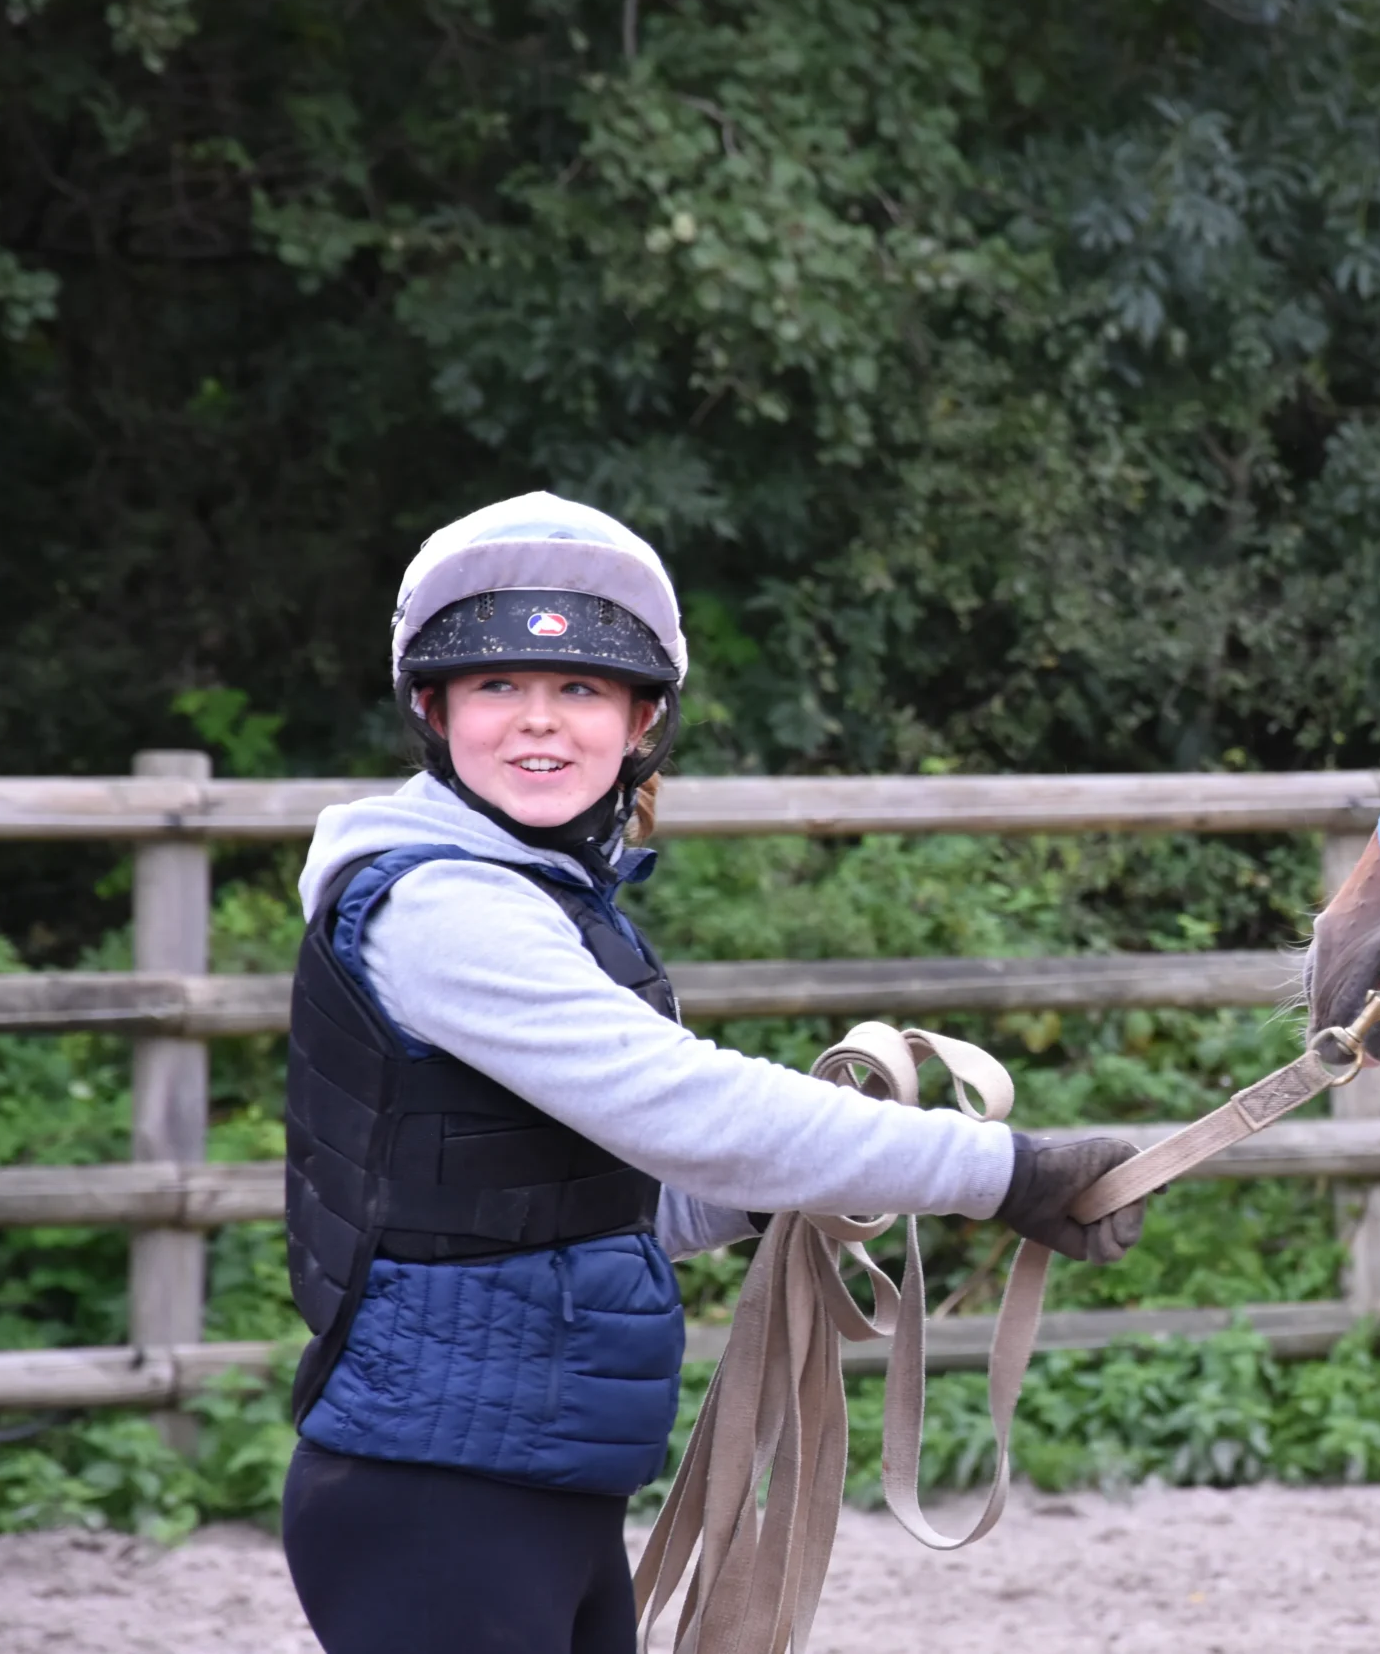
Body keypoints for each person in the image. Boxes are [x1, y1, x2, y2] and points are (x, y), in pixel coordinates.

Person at [277, 492, 1148, 1654]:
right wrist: (1000, 1170)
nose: (539, 724)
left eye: (580, 690)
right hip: (441, 1493)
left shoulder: (548, 904)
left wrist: (785, 1187)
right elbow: (683, 1107)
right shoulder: (440, 905)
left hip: (530, 1474)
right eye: (498, 688)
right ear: (434, 711)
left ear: (640, 723)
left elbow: (600, 1196)